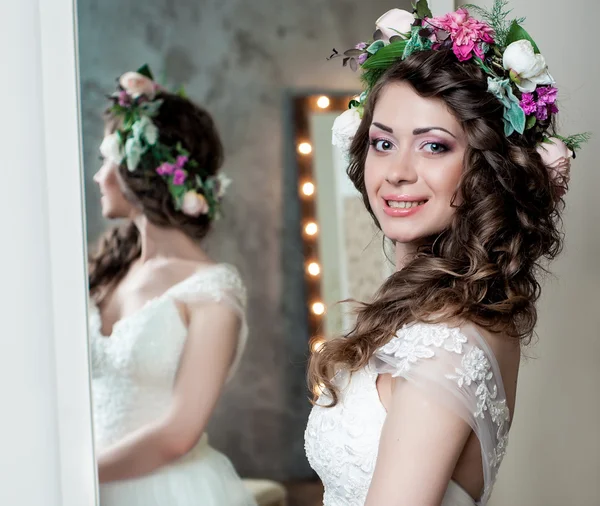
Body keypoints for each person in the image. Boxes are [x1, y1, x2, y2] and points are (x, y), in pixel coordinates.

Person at [305, 2, 586, 505]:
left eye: (433, 146)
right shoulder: (444, 310)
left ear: (484, 167)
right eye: (383, 143)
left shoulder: (442, 346)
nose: (396, 172)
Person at [87, 66, 257, 506]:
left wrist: (76, 474)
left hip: (166, 491)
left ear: (137, 167)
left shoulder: (211, 291)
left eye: (105, 159)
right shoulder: (105, 269)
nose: (98, 177)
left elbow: (179, 432)